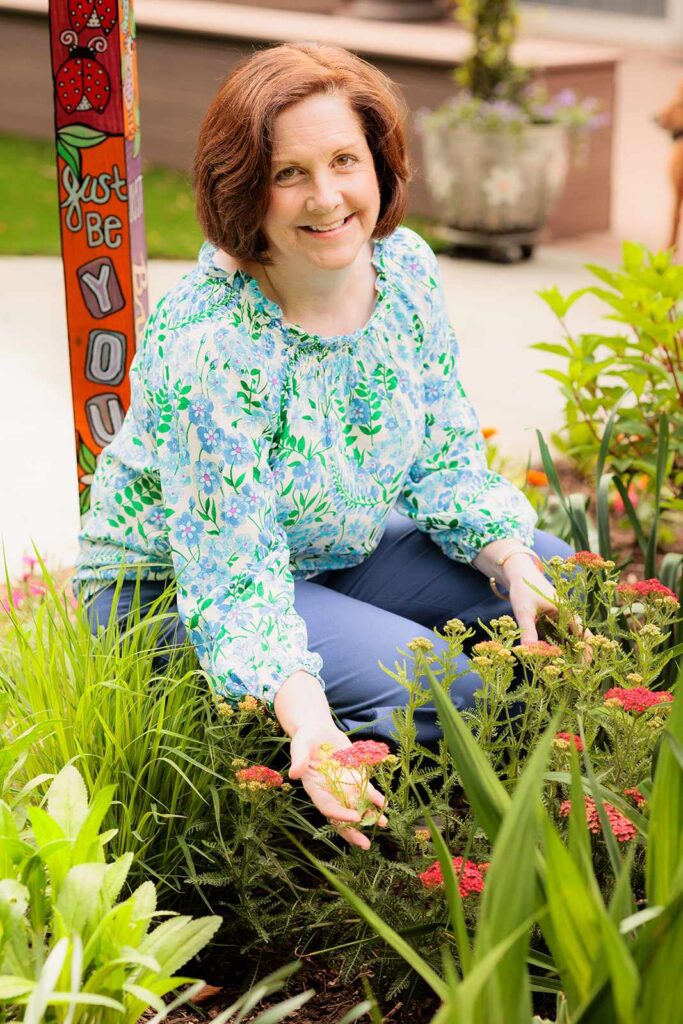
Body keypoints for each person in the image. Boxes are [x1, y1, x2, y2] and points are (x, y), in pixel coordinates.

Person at [73, 42, 572, 849]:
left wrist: (511, 561)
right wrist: (304, 714)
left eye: (345, 159)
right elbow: (230, 571)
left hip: (327, 551)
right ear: (243, 187)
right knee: (440, 683)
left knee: (557, 578)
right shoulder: (212, 337)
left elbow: (444, 452)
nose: (328, 196)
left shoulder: (403, 269)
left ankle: (441, 746)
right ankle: (313, 800)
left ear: (380, 164)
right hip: (168, 589)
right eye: (288, 173)